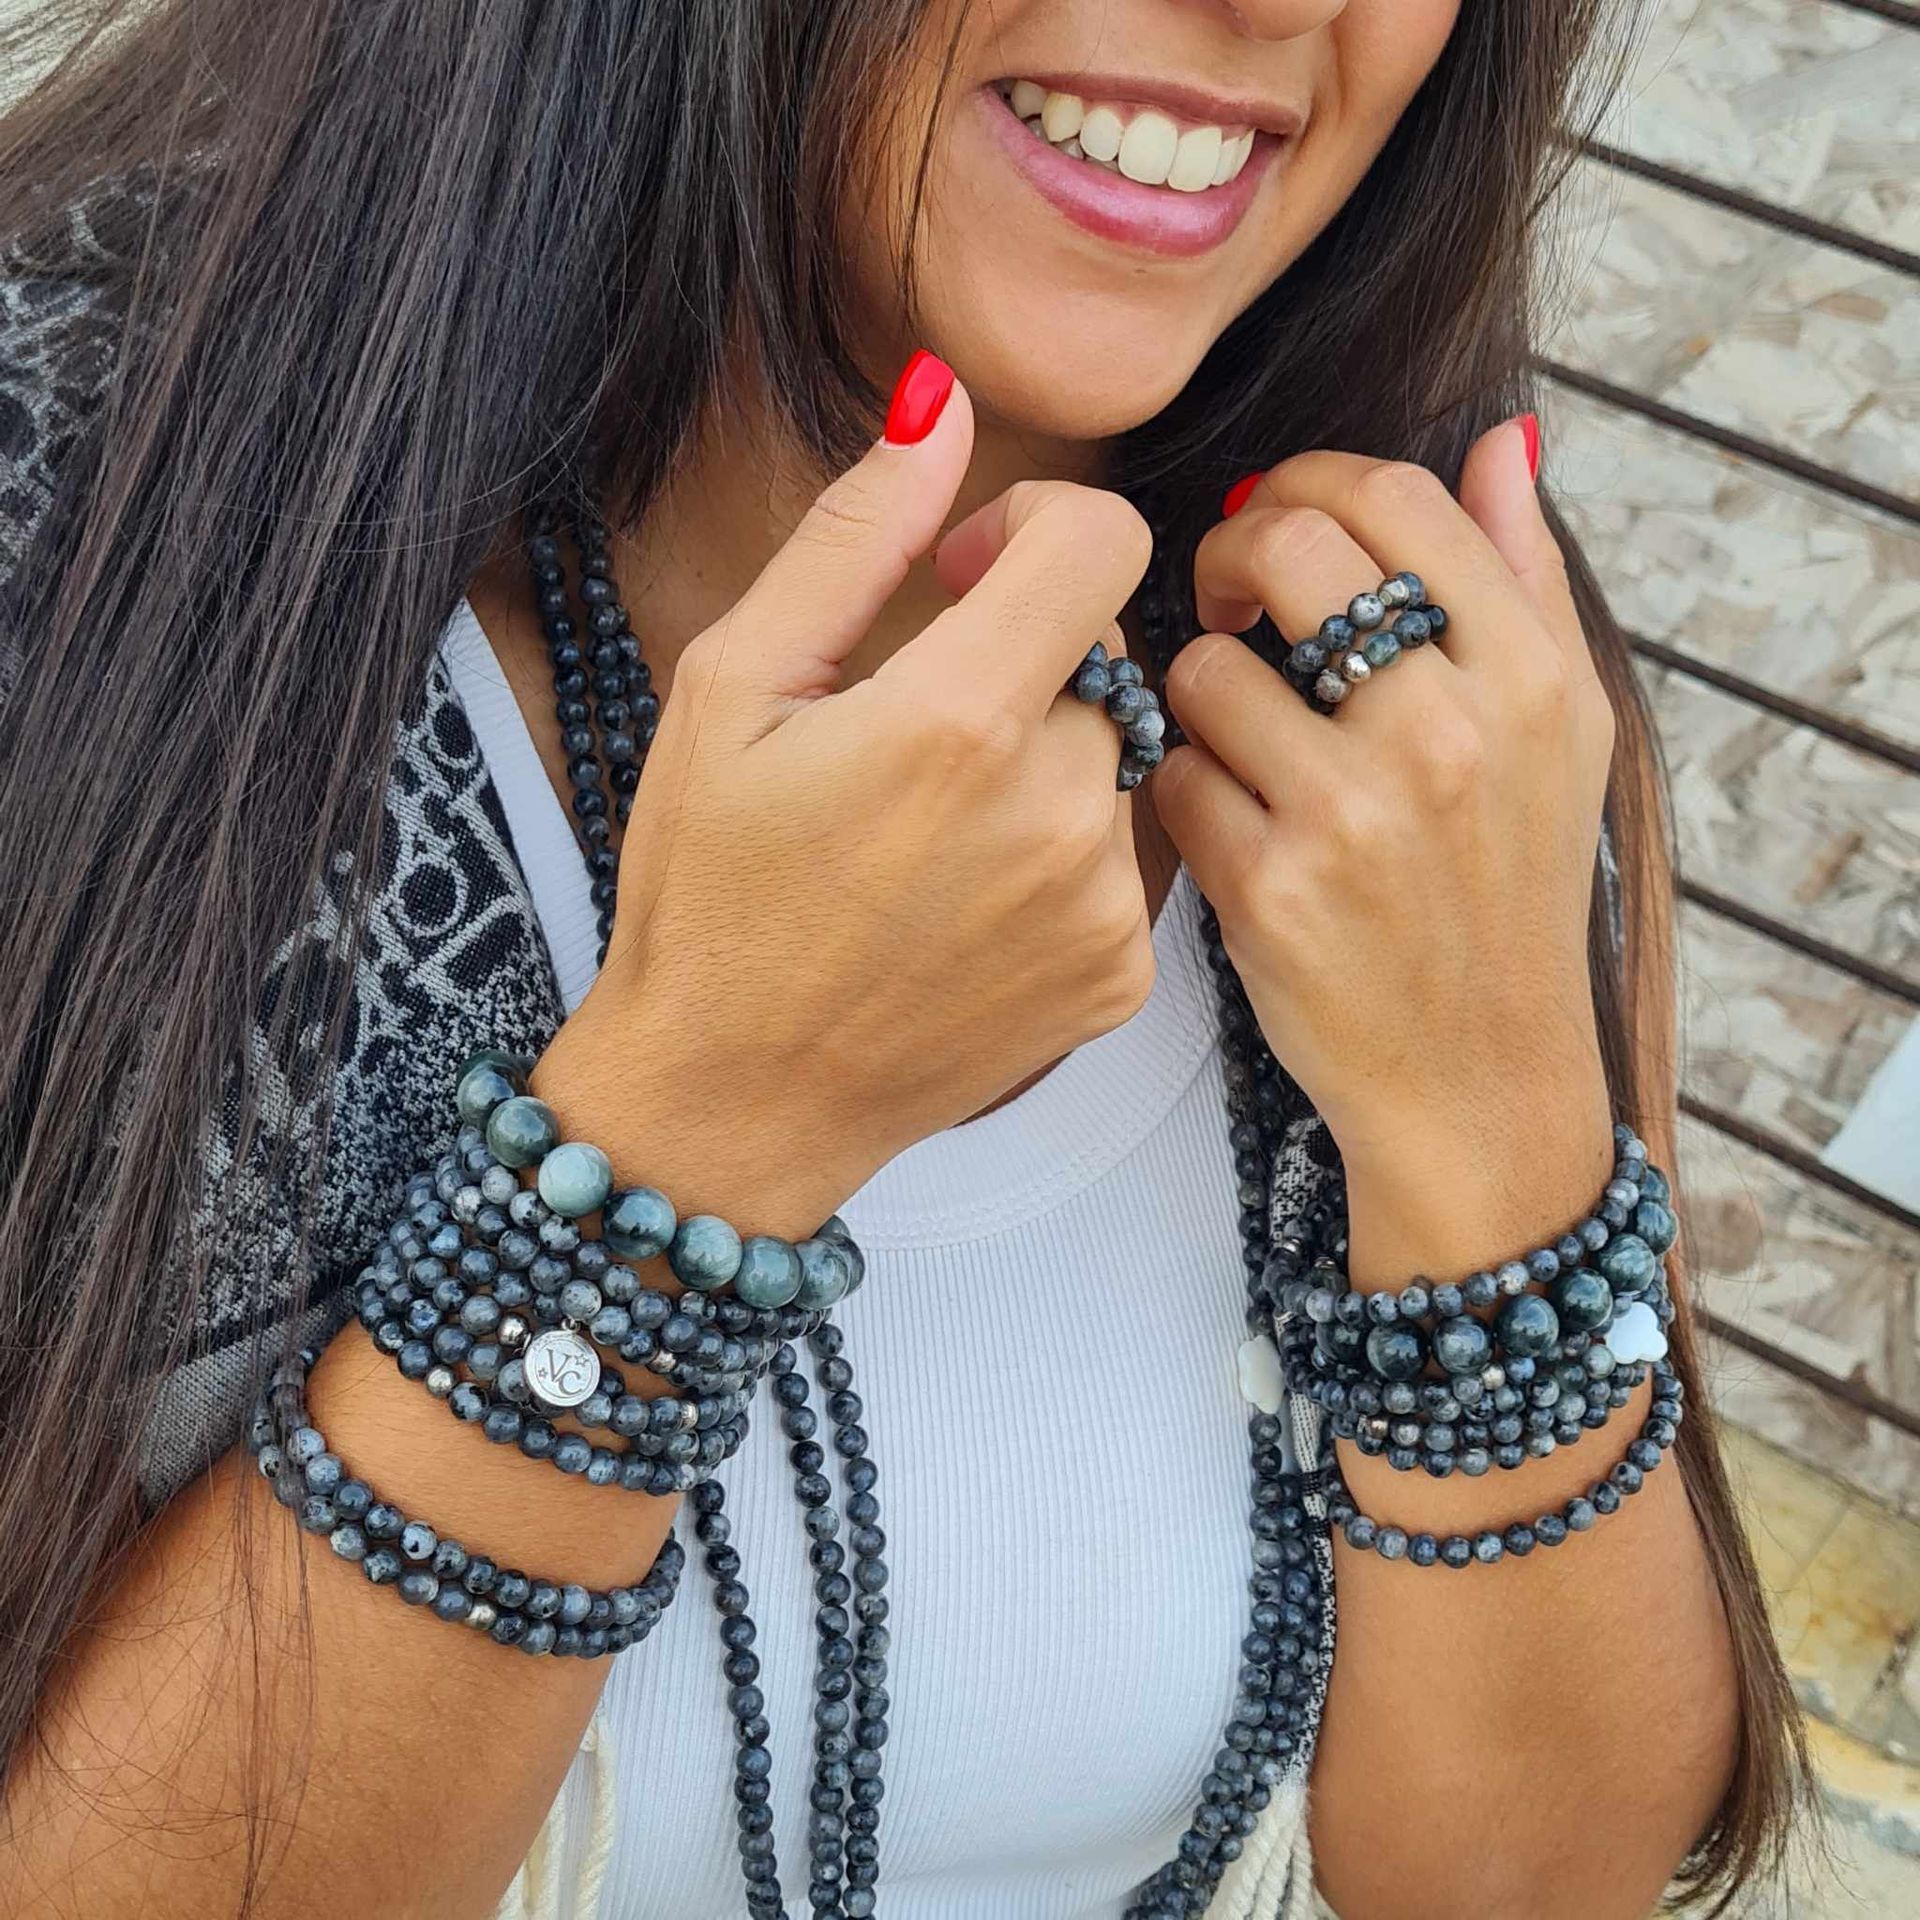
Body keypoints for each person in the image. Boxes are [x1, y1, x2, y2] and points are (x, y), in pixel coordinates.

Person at [0, 2, 1806, 1916]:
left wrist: (1489, 1108)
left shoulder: (1428, 702)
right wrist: (696, 1136)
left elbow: (1531, 1882)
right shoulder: (76, 569)